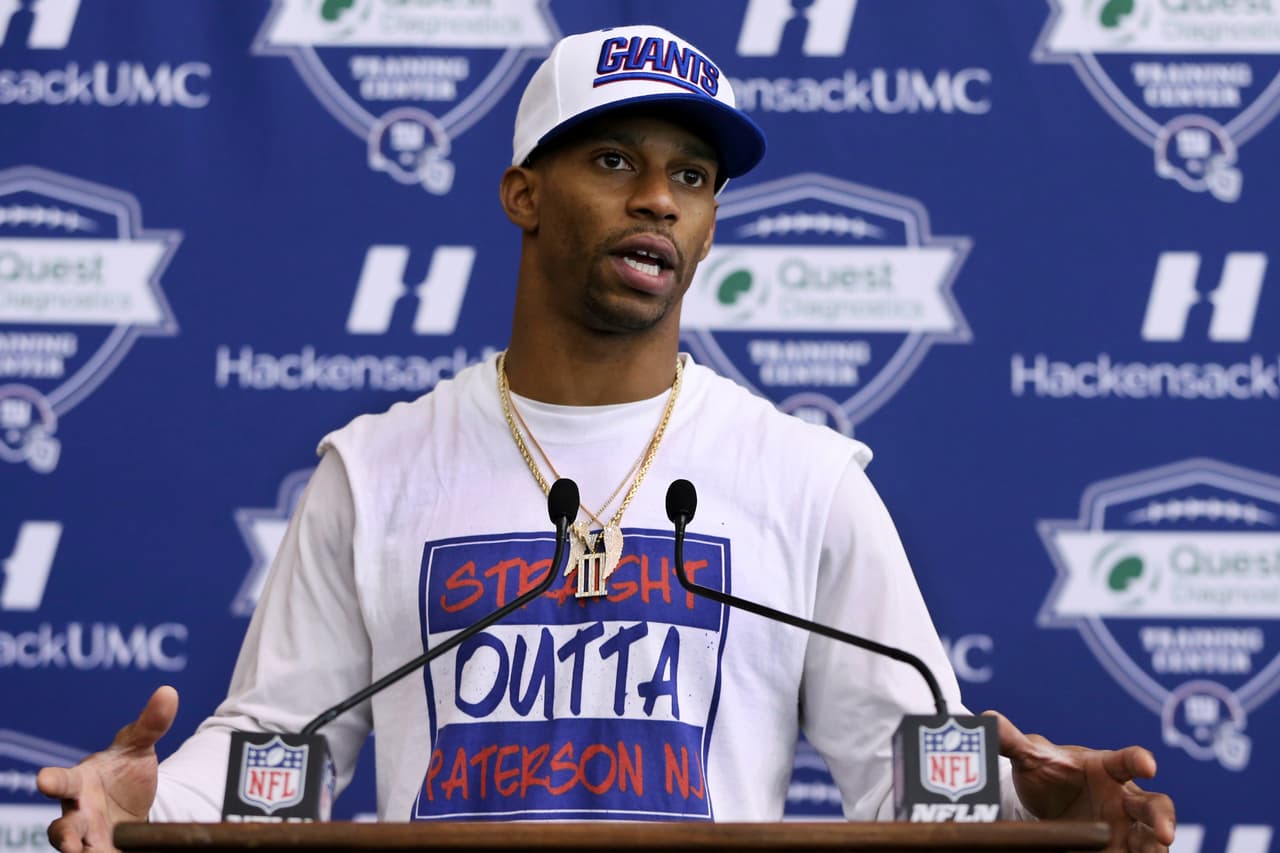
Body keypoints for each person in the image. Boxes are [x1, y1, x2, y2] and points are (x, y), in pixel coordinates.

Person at [38, 24, 1175, 852]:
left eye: (691, 176)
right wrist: (149, 809)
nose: (659, 201)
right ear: (523, 195)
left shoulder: (803, 476)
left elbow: (910, 777)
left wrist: (1035, 818)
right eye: (614, 161)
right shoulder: (377, 470)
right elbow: (283, 754)